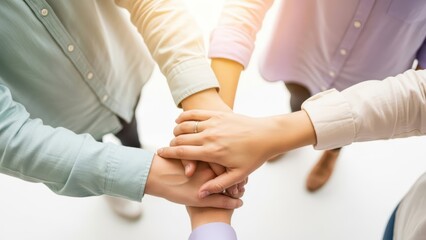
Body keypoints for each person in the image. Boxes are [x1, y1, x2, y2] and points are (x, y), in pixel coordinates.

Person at [0, 0, 244, 232]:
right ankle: (116, 186)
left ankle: (135, 150)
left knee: (129, 125)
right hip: (62, 116)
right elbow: (7, 134)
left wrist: (203, 101)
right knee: (92, 145)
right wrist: (146, 175)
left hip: (119, 74)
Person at [158, 69, 426, 239]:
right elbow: (417, 95)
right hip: (409, 216)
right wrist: (272, 134)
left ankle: (325, 151)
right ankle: (286, 141)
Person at [207, 0, 426, 192]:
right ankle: (289, 139)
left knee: (347, 121)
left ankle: (331, 153)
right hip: (306, 53)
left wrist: (413, 88)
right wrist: (218, 114)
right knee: (297, 99)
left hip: (371, 72)